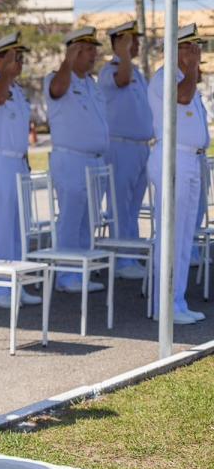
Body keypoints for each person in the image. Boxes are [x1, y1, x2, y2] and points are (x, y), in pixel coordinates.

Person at [148, 24, 209, 325]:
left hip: (190, 160)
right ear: (174, 49)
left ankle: (177, 301)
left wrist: (192, 70)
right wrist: (194, 68)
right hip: (173, 159)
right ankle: (165, 304)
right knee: (172, 235)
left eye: (196, 47)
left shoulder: (187, 80)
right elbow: (182, 98)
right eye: (189, 47)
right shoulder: (167, 79)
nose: (194, 52)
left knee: (185, 236)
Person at [0, 33, 41, 309]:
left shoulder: (16, 90)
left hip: (17, 161)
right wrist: (4, 73)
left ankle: (17, 282)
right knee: (2, 225)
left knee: (17, 228)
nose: (19, 63)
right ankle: (0, 289)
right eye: (14, 57)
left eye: (21, 58)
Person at [44, 26, 109, 293]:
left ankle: (80, 271)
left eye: (95, 49)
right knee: (70, 218)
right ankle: (66, 276)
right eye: (88, 49)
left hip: (94, 160)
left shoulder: (90, 84)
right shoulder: (57, 77)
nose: (94, 55)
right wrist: (67, 62)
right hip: (71, 160)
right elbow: (57, 90)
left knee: (87, 219)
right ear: (74, 51)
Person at [97, 21, 152, 280]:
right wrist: (123, 53)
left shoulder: (137, 72)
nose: (137, 45)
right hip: (121, 146)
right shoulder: (111, 71)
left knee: (132, 207)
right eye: (132, 40)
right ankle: (121, 258)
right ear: (119, 42)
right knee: (120, 206)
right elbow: (122, 81)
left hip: (140, 147)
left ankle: (131, 254)